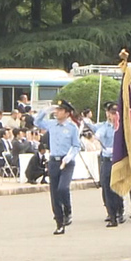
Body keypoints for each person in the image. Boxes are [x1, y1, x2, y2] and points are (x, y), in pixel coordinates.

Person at [34, 99, 82, 235]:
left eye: (60, 110)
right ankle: (59, 223)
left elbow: (76, 145)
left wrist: (69, 157)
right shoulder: (52, 124)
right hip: (54, 161)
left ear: (67, 113)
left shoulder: (72, 127)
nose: (57, 112)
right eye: (56, 110)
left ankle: (68, 210)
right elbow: (37, 122)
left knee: (63, 188)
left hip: (66, 162)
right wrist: (45, 111)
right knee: (54, 193)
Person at [88, 103, 124, 227]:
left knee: (116, 187)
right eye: (111, 113)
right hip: (107, 160)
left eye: (115, 113)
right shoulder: (104, 126)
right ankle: (112, 214)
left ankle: (119, 210)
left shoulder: (122, 127)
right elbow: (98, 131)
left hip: (118, 160)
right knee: (106, 187)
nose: (112, 115)